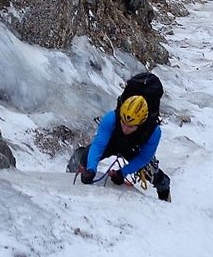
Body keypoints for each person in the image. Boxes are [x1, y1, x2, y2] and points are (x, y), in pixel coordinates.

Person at [67, 72, 171, 201]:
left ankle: (165, 204)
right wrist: (91, 169)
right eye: (123, 123)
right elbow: (98, 144)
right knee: (84, 157)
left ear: (141, 123)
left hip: (135, 148)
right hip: (112, 142)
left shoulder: (153, 132)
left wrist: (122, 173)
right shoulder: (111, 118)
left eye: (131, 126)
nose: (125, 128)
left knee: (160, 180)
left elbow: (144, 157)